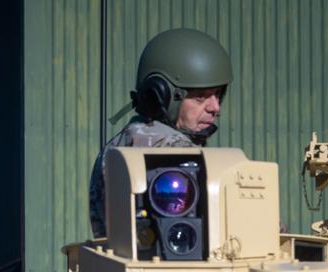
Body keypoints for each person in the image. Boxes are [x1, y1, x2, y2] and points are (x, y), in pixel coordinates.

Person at [88, 28, 232, 239]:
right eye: (200, 97)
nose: (215, 107)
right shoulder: (170, 148)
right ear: (160, 97)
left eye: (217, 95)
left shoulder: (121, 142)